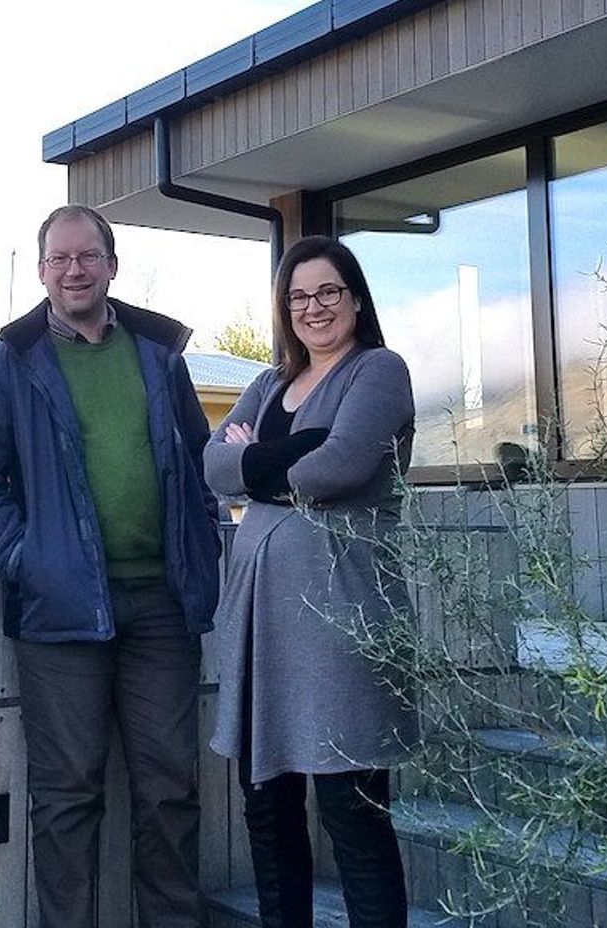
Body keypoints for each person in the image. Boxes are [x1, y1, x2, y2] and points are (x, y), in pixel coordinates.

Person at [0, 204, 220, 928]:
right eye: (60, 259)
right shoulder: (8, 365)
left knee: (170, 790)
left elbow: (200, 463)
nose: (74, 270)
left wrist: (207, 544)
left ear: (111, 265)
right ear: (41, 271)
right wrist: (30, 559)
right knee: (67, 795)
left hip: (163, 605)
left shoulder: (160, 357)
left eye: (87, 257)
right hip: (60, 614)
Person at [204, 235, 416, 927]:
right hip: (262, 629)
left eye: (328, 292)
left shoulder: (377, 371)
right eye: (299, 296)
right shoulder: (268, 384)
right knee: (266, 808)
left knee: (350, 814)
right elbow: (212, 466)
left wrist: (256, 464)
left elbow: (341, 466)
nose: (314, 307)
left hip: (340, 623)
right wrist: (292, 452)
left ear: (355, 298)